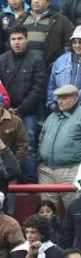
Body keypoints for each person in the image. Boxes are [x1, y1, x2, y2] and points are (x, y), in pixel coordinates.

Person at [0, 26, 45, 179]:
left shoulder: (37, 60)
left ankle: (29, 178)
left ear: (26, 40)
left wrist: (19, 110)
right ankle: (8, 177)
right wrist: (5, 108)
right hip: (3, 110)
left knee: (29, 143)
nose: (16, 42)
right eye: (13, 39)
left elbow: (38, 90)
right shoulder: (2, 59)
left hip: (28, 111)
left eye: (20, 39)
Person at [18, 0, 74, 67]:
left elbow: (70, 42)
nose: (36, 1)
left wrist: (59, 61)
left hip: (48, 68)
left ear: (48, 2)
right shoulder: (22, 19)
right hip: (23, 67)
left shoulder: (60, 20)